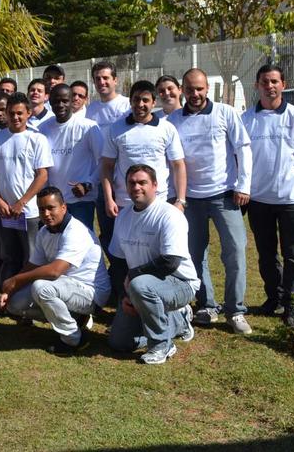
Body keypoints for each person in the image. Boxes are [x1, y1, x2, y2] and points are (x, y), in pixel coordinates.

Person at [167, 68, 254, 334]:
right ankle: (206, 305)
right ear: (182, 89)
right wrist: (175, 197)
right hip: (190, 200)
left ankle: (235, 310)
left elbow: (243, 148)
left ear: (207, 89)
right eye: (190, 89)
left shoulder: (225, 113)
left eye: (200, 89)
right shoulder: (172, 120)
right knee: (194, 255)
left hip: (224, 195)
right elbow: (171, 160)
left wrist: (244, 185)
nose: (195, 94)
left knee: (235, 251)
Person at [241, 64, 294, 329]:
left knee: (293, 255)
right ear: (257, 85)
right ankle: (273, 298)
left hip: (292, 199)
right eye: (265, 81)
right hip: (258, 200)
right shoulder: (246, 118)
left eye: (275, 81)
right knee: (266, 255)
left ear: (283, 85)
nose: (270, 86)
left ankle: (292, 305)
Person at [107, 165, 199, 365]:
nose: (136, 187)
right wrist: (126, 297)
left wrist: (133, 279)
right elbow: (118, 261)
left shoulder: (170, 214)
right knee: (119, 343)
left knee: (140, 285)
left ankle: (162, 345)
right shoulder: (123, 216)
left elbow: (170, 262)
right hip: (141, 286)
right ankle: (176, 319)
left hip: (180, 283)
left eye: (142, 182)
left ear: (155, 185)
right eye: (132, 183)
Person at [1, 187, 110, 353]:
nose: (45, 214)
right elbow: (33, 265)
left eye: (51, 208)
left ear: (64, 207)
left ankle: (74, 339)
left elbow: (55, 271)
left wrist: (15, 280)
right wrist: (10, 290)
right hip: (64, 287)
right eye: (41, 209)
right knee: (14, 303)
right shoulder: (44, 231)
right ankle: (75, 318)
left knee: (41, 288)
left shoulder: (76, 231)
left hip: (91, 293)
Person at [100, 82, 186, 273]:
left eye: (145, 100)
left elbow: (178, 165)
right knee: (126, 252)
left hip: (159, 203)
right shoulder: (116, 129)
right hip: (124, 204)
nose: (140, 104)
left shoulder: (166, 128)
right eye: (136, 99)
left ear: (154, 102)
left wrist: (180, 200)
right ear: (130, 101)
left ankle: (155, 290)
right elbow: (106, 166)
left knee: (157, 250)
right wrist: (109, 198)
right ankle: (125, 291)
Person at [0, 93, 52, 286]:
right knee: (9, 257)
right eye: (11, 113)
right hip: (3, 213)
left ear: (29, 113)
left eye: (20, 113)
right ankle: (7, 299)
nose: (15, 117)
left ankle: (29, 301)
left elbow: (42, 175)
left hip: (28, 213)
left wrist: (22, 202)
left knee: (31, 258)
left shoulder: (37, 139)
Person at [37, 84, 102, 230]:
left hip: (81, 200)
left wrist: (88, 184)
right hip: (53, 201)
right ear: (50, 102)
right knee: (55, 244)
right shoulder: (42, 129)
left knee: (81, 244)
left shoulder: (88, 127)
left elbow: (103, 162)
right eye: (56, 101)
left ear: (72, 100)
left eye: (65, 101)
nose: (60, 105)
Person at [85, 61, 131, 126]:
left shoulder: (128, 105)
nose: (101, 82)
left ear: (115, 80)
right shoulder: (91, 109)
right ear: (94, 82)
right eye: (98, 79)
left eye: (105, 78)